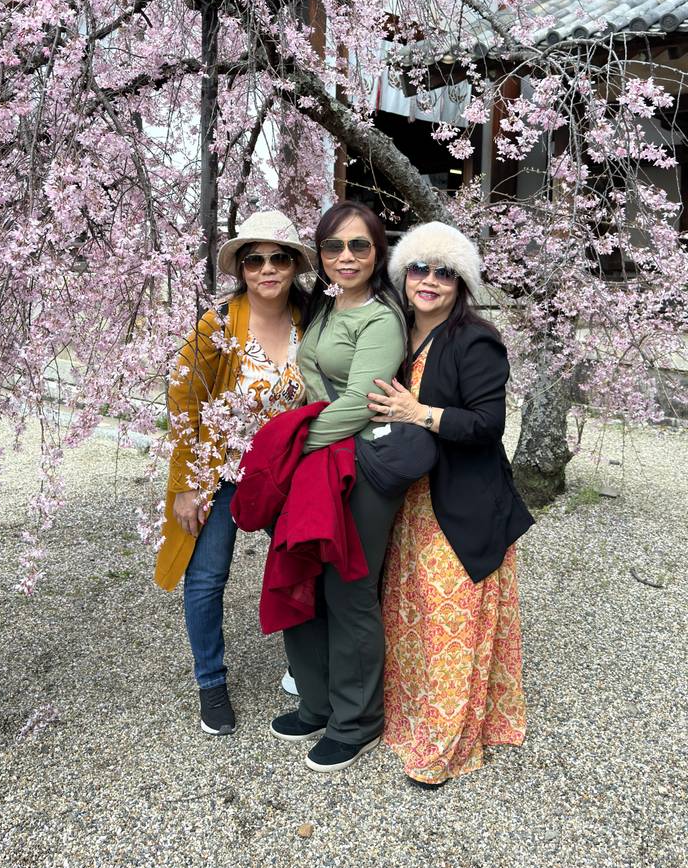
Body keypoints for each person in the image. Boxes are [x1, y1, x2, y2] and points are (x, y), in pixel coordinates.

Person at [367, 221, 535, 787]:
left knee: (450, 623)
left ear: (461, 281)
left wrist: (421, 414)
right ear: (403, 274)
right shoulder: (396, 333)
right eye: (419, 268)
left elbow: (489, 425)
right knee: (410, 614)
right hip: (410, 501)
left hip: (460, 502)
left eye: (445, 271)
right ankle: (412, 719)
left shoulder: (474, 339)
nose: (430, 280)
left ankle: (444, 745)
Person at [154, 210, 313, 735]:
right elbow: (184, 401)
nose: (267, 269)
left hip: (287, 470)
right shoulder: (218, 325)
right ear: (241, 268)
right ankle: (210, 681)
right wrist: (185, 485)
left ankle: (306, 666)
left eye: (279, 257)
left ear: (294, 265)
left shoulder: (312, 319)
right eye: (254, 259)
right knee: (206, 577)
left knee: (306, 561)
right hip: (221, 469)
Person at [270, 200, 407, 774]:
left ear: (377, 253)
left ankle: (357, 720)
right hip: (316, 462)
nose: (345, 257)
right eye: (333, 247)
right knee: (302, 568)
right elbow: (311, 384)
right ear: (320, 255)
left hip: (358, 464)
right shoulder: (325, 310)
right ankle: (317, 699)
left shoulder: (380, 318)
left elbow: (359, 402)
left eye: (358, 246)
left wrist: (290, 447)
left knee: (349, 588)